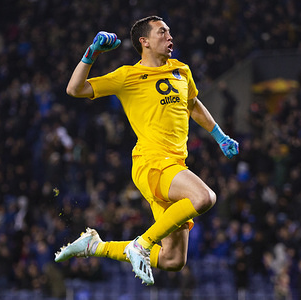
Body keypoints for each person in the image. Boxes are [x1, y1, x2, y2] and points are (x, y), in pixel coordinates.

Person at [54, 16, 239, 285]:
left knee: (173, 261)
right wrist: (91, 53)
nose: (169, 37)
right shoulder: (127, 76)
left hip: (175, 167)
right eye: (162, 32)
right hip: (151, 162)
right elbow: (74, 89)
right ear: (145, 42)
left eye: (170, 32)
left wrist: (219, 135)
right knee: (204, 197)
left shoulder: (182, 70)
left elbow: (193, 104)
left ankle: (96, 246)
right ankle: (141, 243)